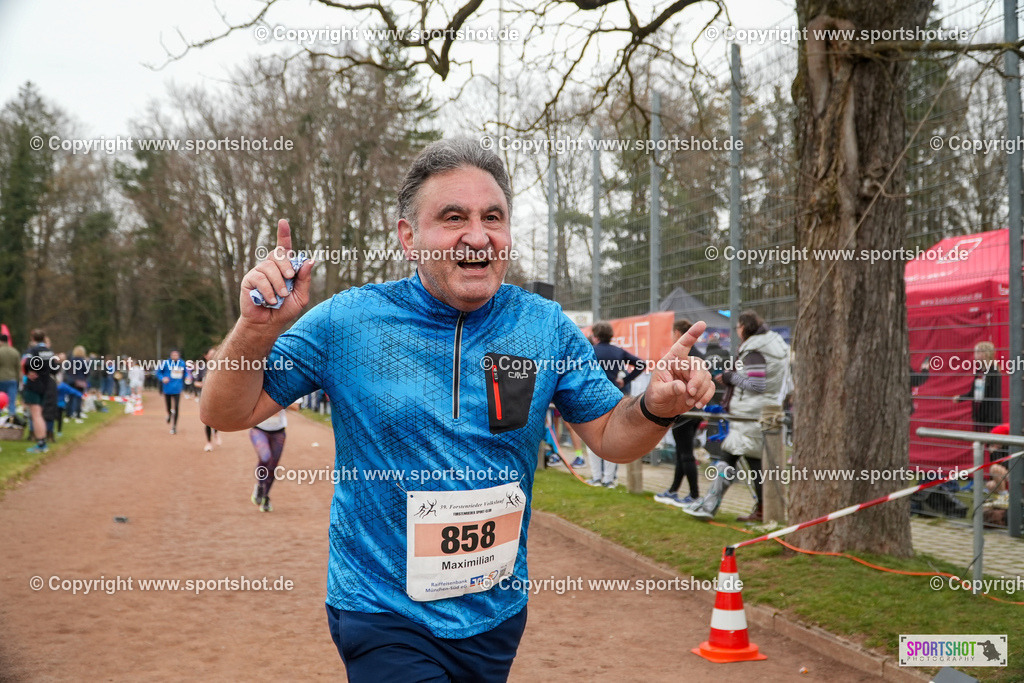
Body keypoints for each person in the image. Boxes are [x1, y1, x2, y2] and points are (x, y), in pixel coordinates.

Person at [200, 137, 714, 683]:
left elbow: (613, 435)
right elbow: (228, 411)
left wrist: (656, 408)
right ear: (409, 237)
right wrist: (254, 331)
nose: (477, 235)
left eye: (493, 217)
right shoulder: (346, 322)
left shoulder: (542, 327)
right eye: (452, 217)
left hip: (496, 617)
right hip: (382, 611)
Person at [684, 310, 789, 523]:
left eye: (738, 327)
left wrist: (731, 377)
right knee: (752, 462)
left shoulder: (754, 349)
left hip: (750, 412)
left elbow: (757, 384)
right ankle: (762, 509)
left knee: (734, 457)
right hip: (760, 410)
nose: (737, 331)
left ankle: (711, 504)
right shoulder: (773, 344)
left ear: (744, 327)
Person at [588, 321, 645, 487]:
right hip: (615, 398)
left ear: (595, 336)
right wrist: (625, 380)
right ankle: (609, 479)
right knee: (611, 438)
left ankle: (596, 477)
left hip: (594, 398)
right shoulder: (618, 351)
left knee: (591, 437)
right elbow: (641, 364)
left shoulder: (590, 350)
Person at [654, 319, 704, 507]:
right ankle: (674, 490)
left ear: (677, 333)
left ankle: (694, 495)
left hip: (684, 411)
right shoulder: (699, 354)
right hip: (693, 411)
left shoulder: (682, 355)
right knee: (682, 452)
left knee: (686, 454)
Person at [249, 403, 297, 512]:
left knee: (272, 467)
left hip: (278, 432)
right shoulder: (257, 385)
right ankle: (260, 487)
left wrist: (279, 400)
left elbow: (296, 407)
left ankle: (265, 496)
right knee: (265, 457)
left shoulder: (286, 386)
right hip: (258, 428)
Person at [952, 341, 1002, 433]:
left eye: (978, 352)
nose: (975, 355)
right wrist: (961, 398)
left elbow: (993, 395)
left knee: (991, 442)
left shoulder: (993, 371)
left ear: (985, 354)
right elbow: (974, 392)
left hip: (990, 416)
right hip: (979, 414)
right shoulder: (979, 371)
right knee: (978, 442)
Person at [22, 329, 56, 454]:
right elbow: (55, 368)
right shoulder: (49, 352)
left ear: (32, 338)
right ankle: (42, 441)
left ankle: (41, 443)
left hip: (34, 384)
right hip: (45, 385)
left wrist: (29, 371)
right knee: (39, 414)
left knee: (36, 415)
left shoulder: (33, 350)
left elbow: (28, 363)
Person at [194, 346, 221, 451]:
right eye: (211, 354)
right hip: (205, 398)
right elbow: (195, 382)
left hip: (218, 397)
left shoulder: (221, 368)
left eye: (215, 353)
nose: (214, 355)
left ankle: (216, 433)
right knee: (207, 420)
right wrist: (203, 384)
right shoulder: (201, 368)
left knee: (218, 419)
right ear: (206, 356)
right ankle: (208, 443)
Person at [156, 349, 189, 434]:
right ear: (170, 356)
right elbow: (159, 372)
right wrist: (163, 378)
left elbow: (186, 373)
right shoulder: (165, 363)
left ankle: (174, 427)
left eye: (176, 355)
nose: (175, 357)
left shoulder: (182, 363)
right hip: (167, 388)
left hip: (177, 389)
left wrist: (187, 377)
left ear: (179, 356)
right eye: (173, 355)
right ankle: (169, 414)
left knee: (177, 407)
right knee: (168, 407)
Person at [66, 345, 90, 421]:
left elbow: (67, 370)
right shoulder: (83, 361)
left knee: (70, 398)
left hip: (71, 381)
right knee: (78, 398)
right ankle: (78, 415)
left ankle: (68, 415)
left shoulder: (70, 360)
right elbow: (86, 372)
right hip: (80, 381)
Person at [0, 334, 20, 415]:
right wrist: (18, 379)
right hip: (12, 379)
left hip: (1, 379)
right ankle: (11, 418)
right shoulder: (15, 351)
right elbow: (18, 367)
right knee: (12, 401)